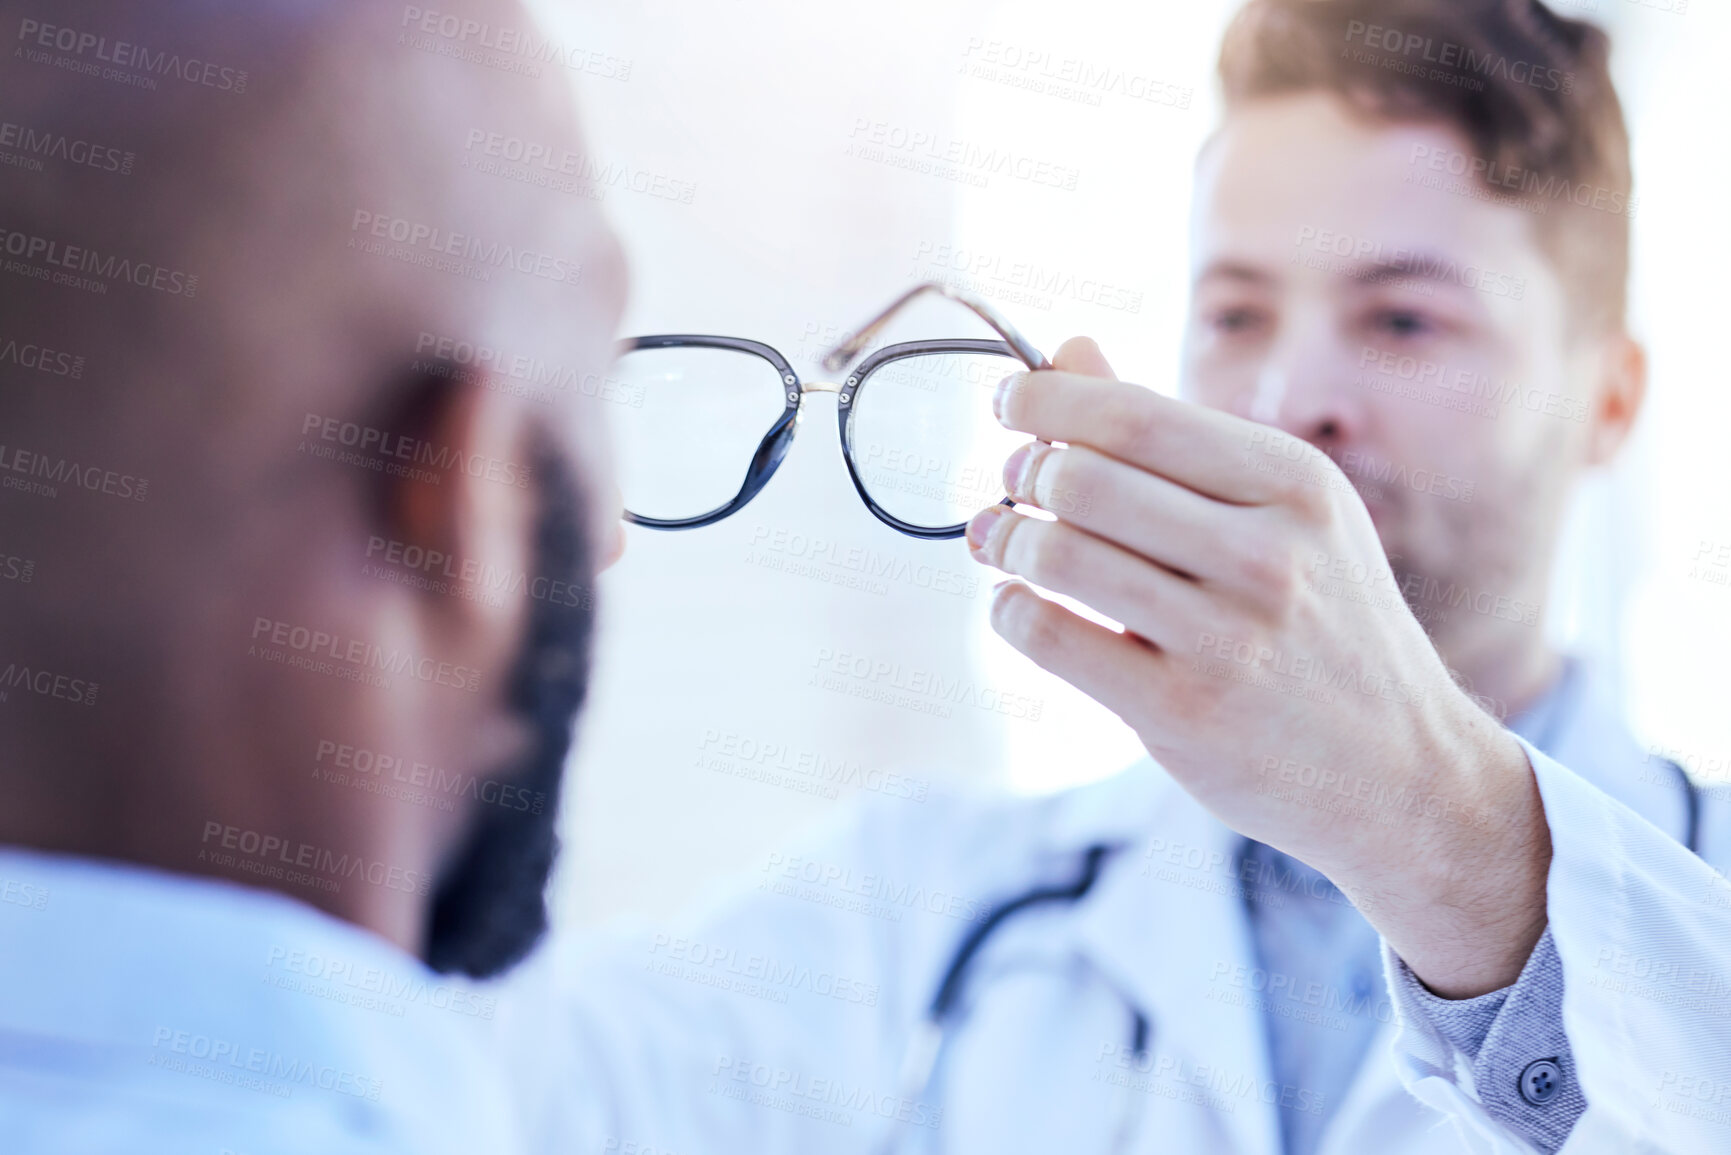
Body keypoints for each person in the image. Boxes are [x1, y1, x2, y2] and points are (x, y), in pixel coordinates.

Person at [2, 4, 1726, 1155]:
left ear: (1612, 401)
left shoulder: (1699, 920)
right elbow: (462, 1090)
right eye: (1239, 312)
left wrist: (1433, 819)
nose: (1289, 400)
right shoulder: (934, 913)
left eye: (1404, 317)